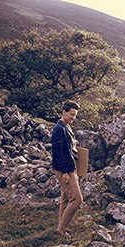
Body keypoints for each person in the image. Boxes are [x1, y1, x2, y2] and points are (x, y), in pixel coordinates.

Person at [51, 100, 83, 237]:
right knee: (77, 199)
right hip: (65, 169)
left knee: (65, 199)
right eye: (71, 114)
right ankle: (62, 228)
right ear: (63, 112)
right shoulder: (59, 129)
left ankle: (61, 227)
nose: (73, 118)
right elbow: (58, 153)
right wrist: (64, 172)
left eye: (75, 115)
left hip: (70, 167)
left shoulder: (66, 127)